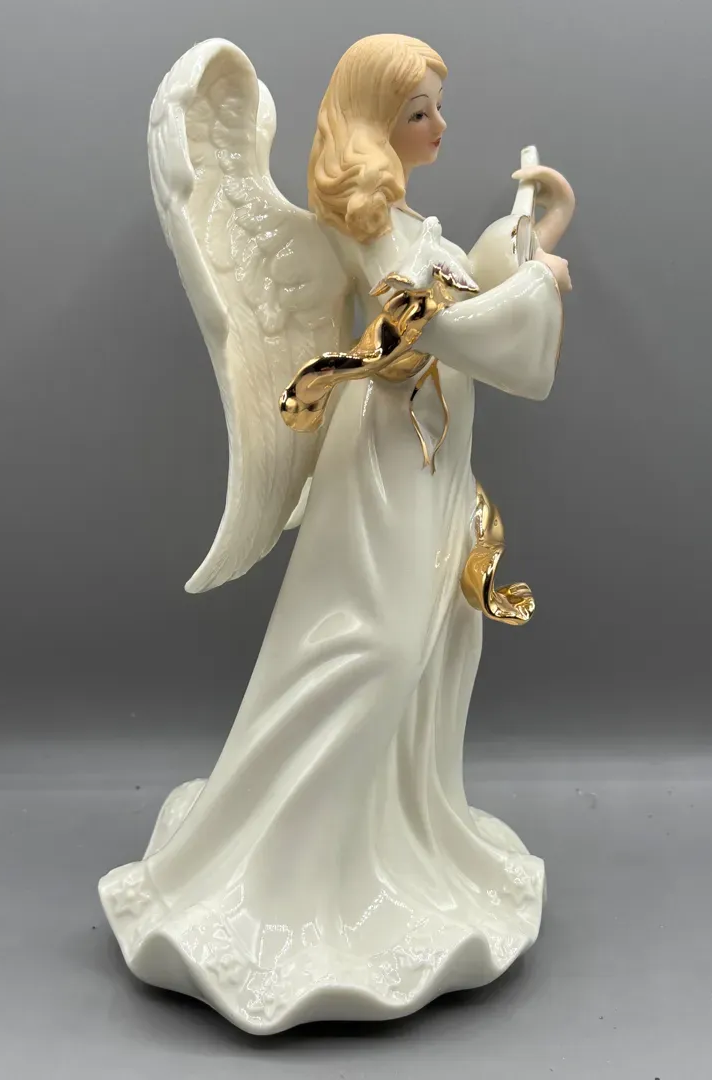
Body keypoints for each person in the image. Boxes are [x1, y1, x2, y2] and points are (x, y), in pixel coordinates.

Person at [100, 33, 575, 1034]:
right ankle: (290, 885)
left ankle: (386, 843)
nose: (439, 125)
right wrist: (537, 291)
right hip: (387, 469)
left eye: (438, 107)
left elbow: (468, 294)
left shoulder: (408, 220)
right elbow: (448, 331)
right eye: (419, 111)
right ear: (374, 120)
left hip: (432, 462)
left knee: (433, 644)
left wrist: (532, 239)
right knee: (376, 648)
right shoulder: (361, 226)